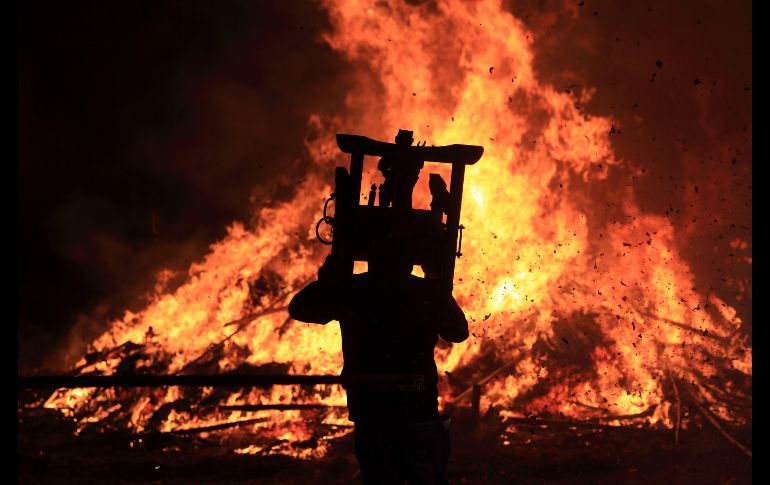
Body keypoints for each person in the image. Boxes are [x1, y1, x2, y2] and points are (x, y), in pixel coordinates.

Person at [289, 242, 468, 485]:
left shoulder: (353, 291)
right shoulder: (427, 292)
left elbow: (300, 308)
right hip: (416, 405)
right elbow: (457, 332)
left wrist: (329, 279)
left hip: (372, 408)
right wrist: (437, 280)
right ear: (412, 261)